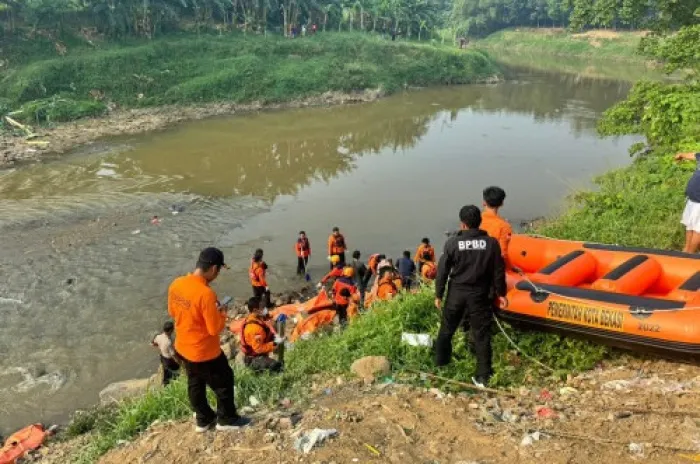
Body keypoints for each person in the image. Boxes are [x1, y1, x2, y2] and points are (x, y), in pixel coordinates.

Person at [168, 247, 250, 432]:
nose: (218, 274)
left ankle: (203, 419)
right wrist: (221, 313)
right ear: (213, 269)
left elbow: (172, 312)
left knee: (195, 382)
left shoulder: (177, 284)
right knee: (224, 381)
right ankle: (226, 419)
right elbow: (214, 329)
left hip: (183, 347)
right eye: (219, 270)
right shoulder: (206, 294)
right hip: (203, 351)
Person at [434, 206, 507, 388]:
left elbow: (442, 271)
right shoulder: (491, 243)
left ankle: (441, 364)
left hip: (456, 293)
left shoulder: (452, 243)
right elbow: (498, 271)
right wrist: (501, 293)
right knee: (482, 335)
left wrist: (438, 294)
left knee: (446, 330)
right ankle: (483, 376)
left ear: (463, 224)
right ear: (479, 222)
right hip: (480, 294)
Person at [240, 296, 284, 373]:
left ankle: (274, 351)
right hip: (254, 357)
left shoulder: (257, 316)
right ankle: (257, 369)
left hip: (260, 346)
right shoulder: (254, 329)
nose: (265, 309)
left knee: (273, 324)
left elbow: (268, 321)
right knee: (276, 367)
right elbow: (258, 349)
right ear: (255, 310)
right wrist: (275, 343)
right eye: (263, 307)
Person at [675, 151, 700, 253]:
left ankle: (691, 254)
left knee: (698, 230)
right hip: (692, 200)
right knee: (690, 226)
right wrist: (681, 154)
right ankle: (686, 250)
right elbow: (694, 155)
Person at [480, 186, 512, 263]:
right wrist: (511, 267)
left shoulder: (473, 220)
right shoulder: (505, 226)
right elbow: (503, 253)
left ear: (484, 202)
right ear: (501, 203)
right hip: (491, 266)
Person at [151, 321, 180, 386]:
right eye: (173, 329)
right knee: (172, 373)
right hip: (169, 360)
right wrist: (179, 362)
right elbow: (173, 355)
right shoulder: (168, 342)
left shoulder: (158, 336)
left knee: (166, 372)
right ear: (170, 331)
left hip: (163, 357)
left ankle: (165, 381)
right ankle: (169, 382)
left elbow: (153, 343)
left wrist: (161, 347)